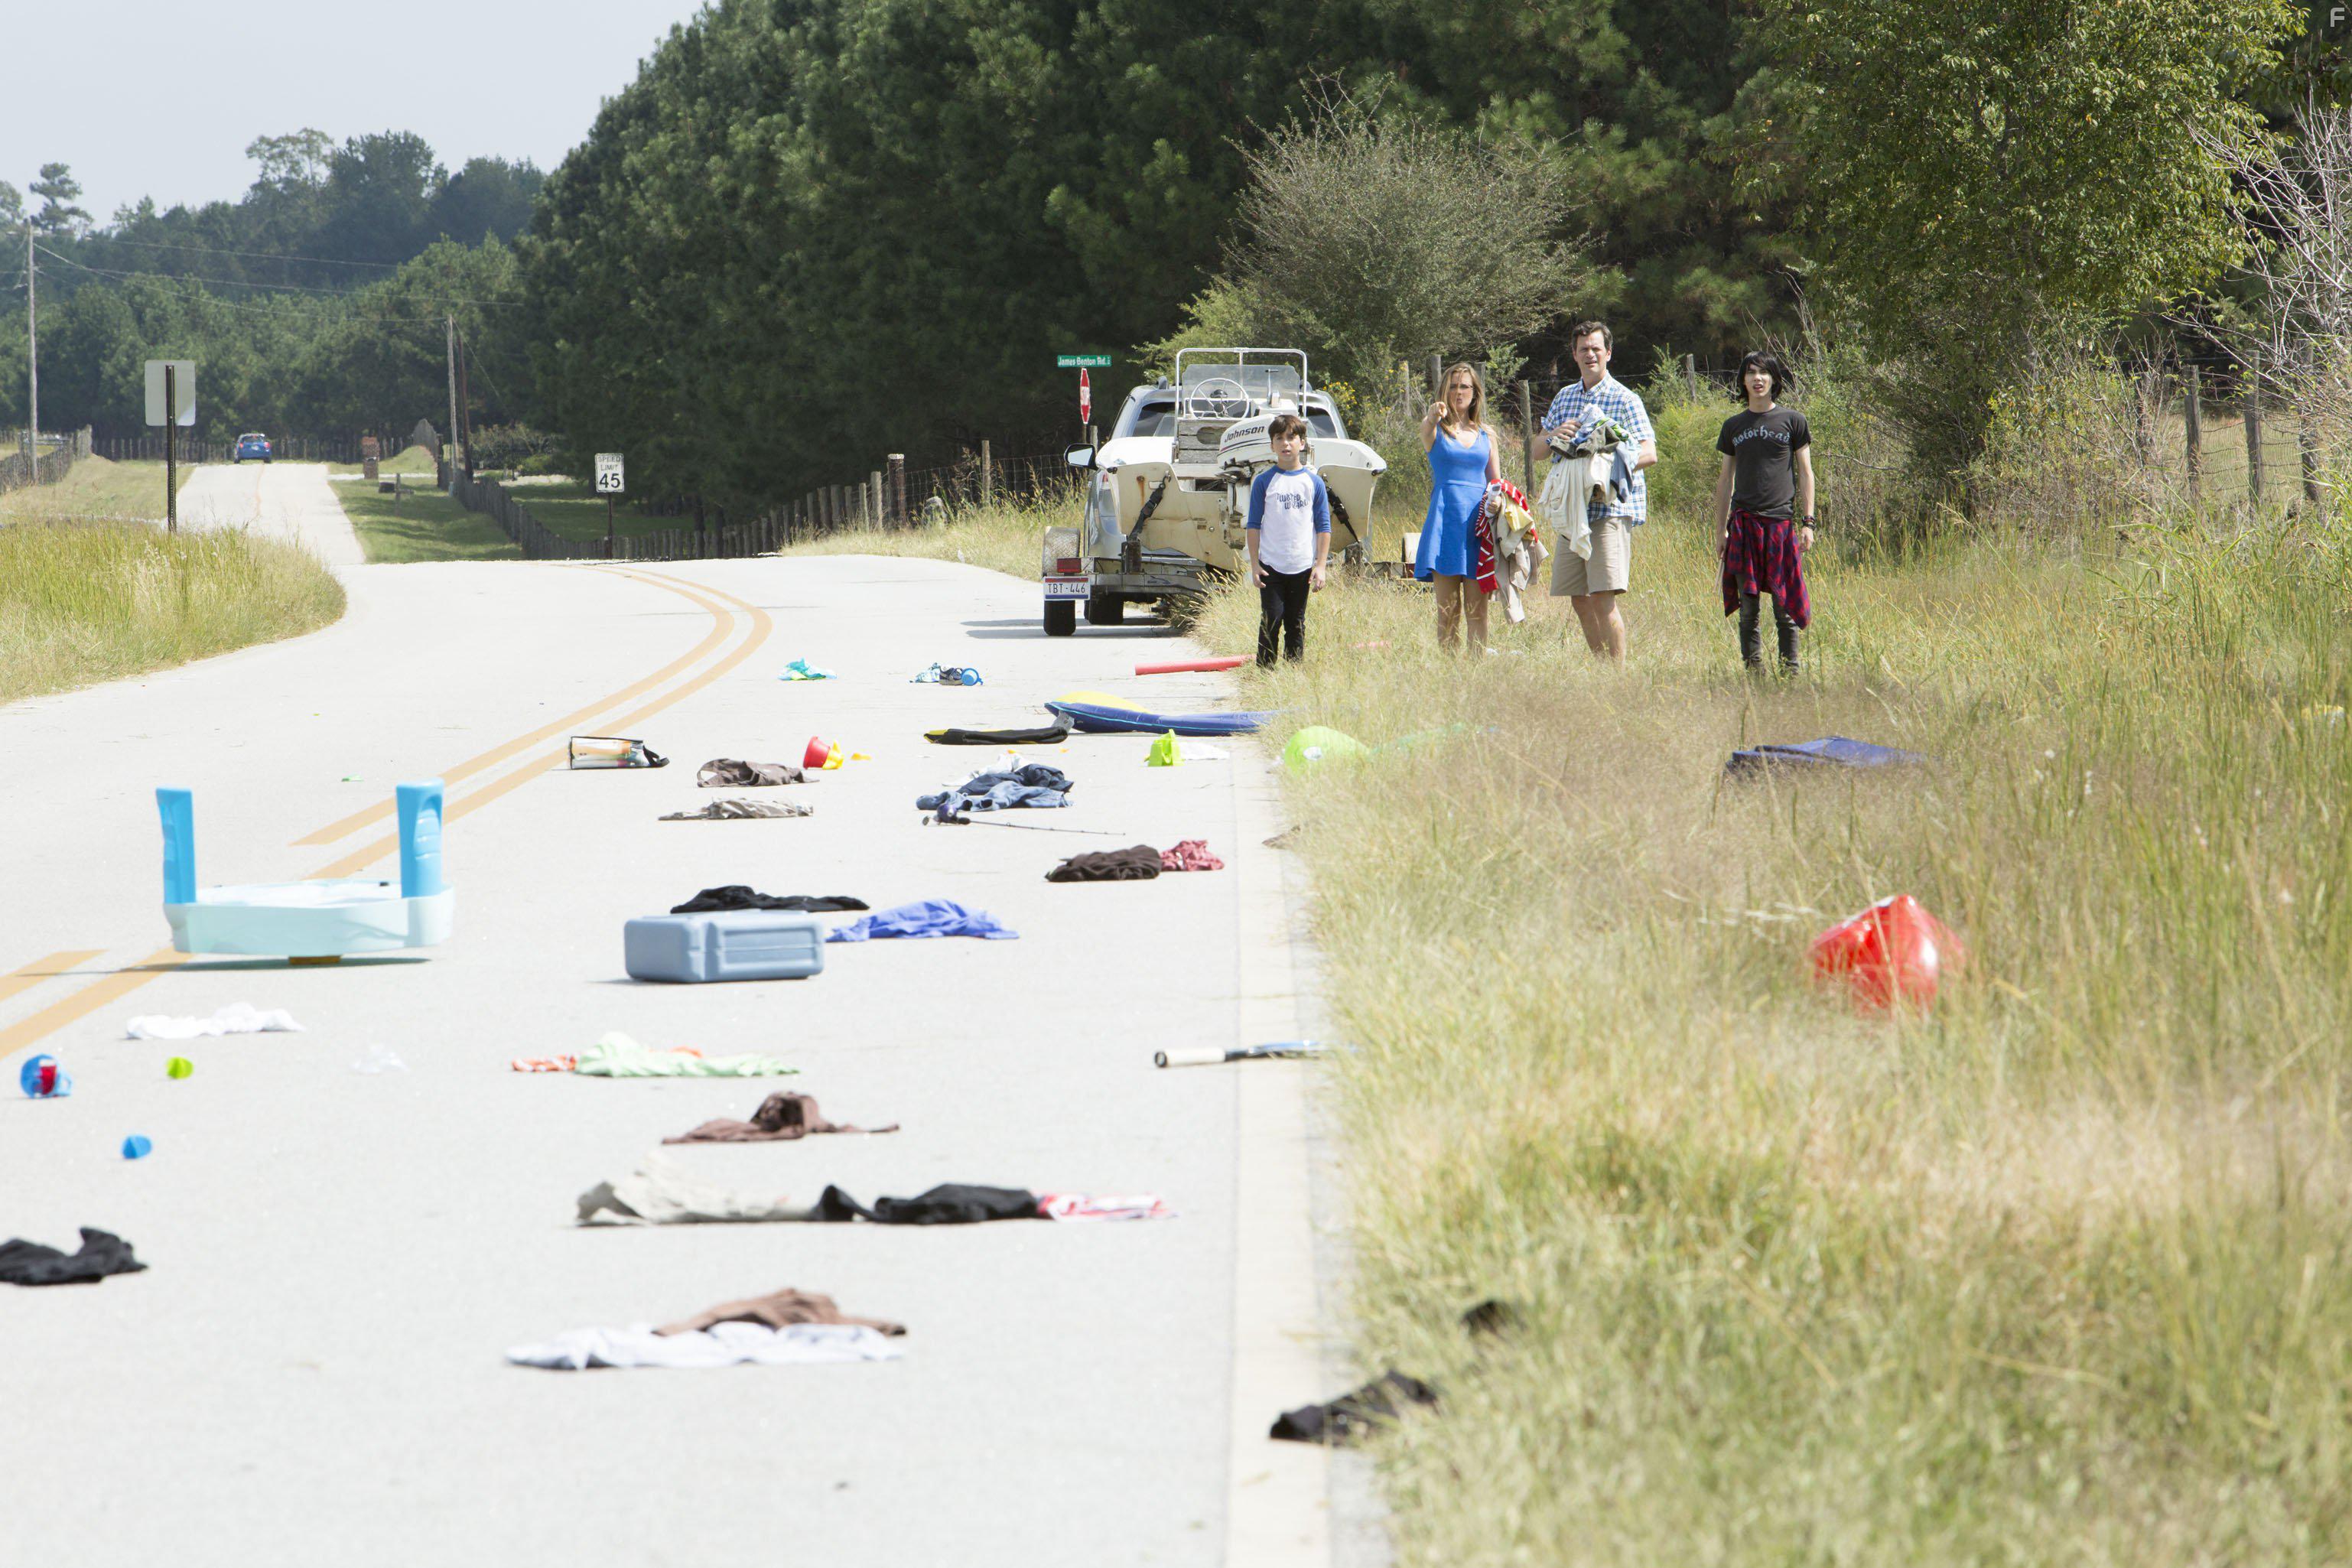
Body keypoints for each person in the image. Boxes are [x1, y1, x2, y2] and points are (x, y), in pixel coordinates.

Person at [1540, 321, 1657, 661]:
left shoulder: (1625, 399)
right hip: (1571, 512)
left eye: (1596, 348)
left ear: (1608, 353)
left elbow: (1649, 453)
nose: (1590, 354)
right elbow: (1536, 450)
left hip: (1609, 510)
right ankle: (1601, 666)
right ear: (1574, 355)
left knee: (1603, 596)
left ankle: (1617, 675)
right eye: (1583, 349)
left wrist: (1603, 465)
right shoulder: (1564, 397)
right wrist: (1553, 436)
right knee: (1578, 597)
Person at [1712, 350, 1815, 673]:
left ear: (1774, 379)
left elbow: (1806, 473)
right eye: (1751, 373)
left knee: (1785, 607)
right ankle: (1753, 672)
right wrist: (1720, 531)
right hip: (1743, 527)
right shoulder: (1733, 426)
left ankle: (1790, 672)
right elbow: (1725, 480)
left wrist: (1808, 522)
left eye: (1764, 373)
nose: (1758, 379)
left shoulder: (1793, 421)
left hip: (1780, 525)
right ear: (1743, 381)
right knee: (1748, 609)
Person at [1412, 362, 1504, 652]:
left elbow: (1496, 482)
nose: (1459, 392)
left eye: (1465, 386)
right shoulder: (1435, 430)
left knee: (1478, 611)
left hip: (1478, 527)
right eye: (1453, 386)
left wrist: (1498, 499)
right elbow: (1426, 428)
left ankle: (1476, 671)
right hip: (1445, 524)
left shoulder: (1487, 434)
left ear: (1475, 393)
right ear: (1444, 391)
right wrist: (1432, 416)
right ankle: (1450, 672)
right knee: (1448, 612)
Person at [1244, 412, 1332, 667]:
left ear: (1302, 443)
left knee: (1296, 623)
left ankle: (1294, 674)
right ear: (1272, 445)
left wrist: (1321, 565)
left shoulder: (1313, 483)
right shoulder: (1264, 482)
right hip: (1271, 566)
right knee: (1271, 619)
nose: (1285, 443)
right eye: (1279, 438)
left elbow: (1323, 527)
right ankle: (1265, 674)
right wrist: (1254, 564)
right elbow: (1253, 525)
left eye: (1291, 438)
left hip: (1302, 566)